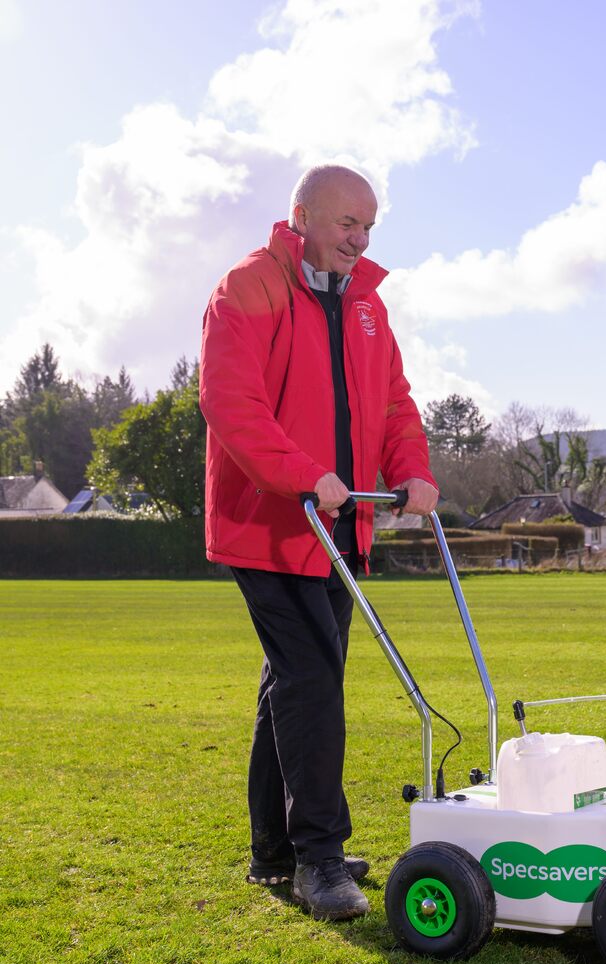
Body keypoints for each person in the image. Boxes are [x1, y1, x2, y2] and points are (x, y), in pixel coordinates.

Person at [199, 164, 438, 919]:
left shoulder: (368, 304)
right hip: (267, 525)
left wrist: (414, 473)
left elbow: (395, 404)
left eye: (368, 227)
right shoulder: (249, 289)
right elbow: (230, 406)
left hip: (341, 527)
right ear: (302, 215)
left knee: (293, 682)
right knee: (312, 682)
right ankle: (319, 858)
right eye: (346, 224)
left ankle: (273, 850)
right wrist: (305, 475)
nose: (359, 239)